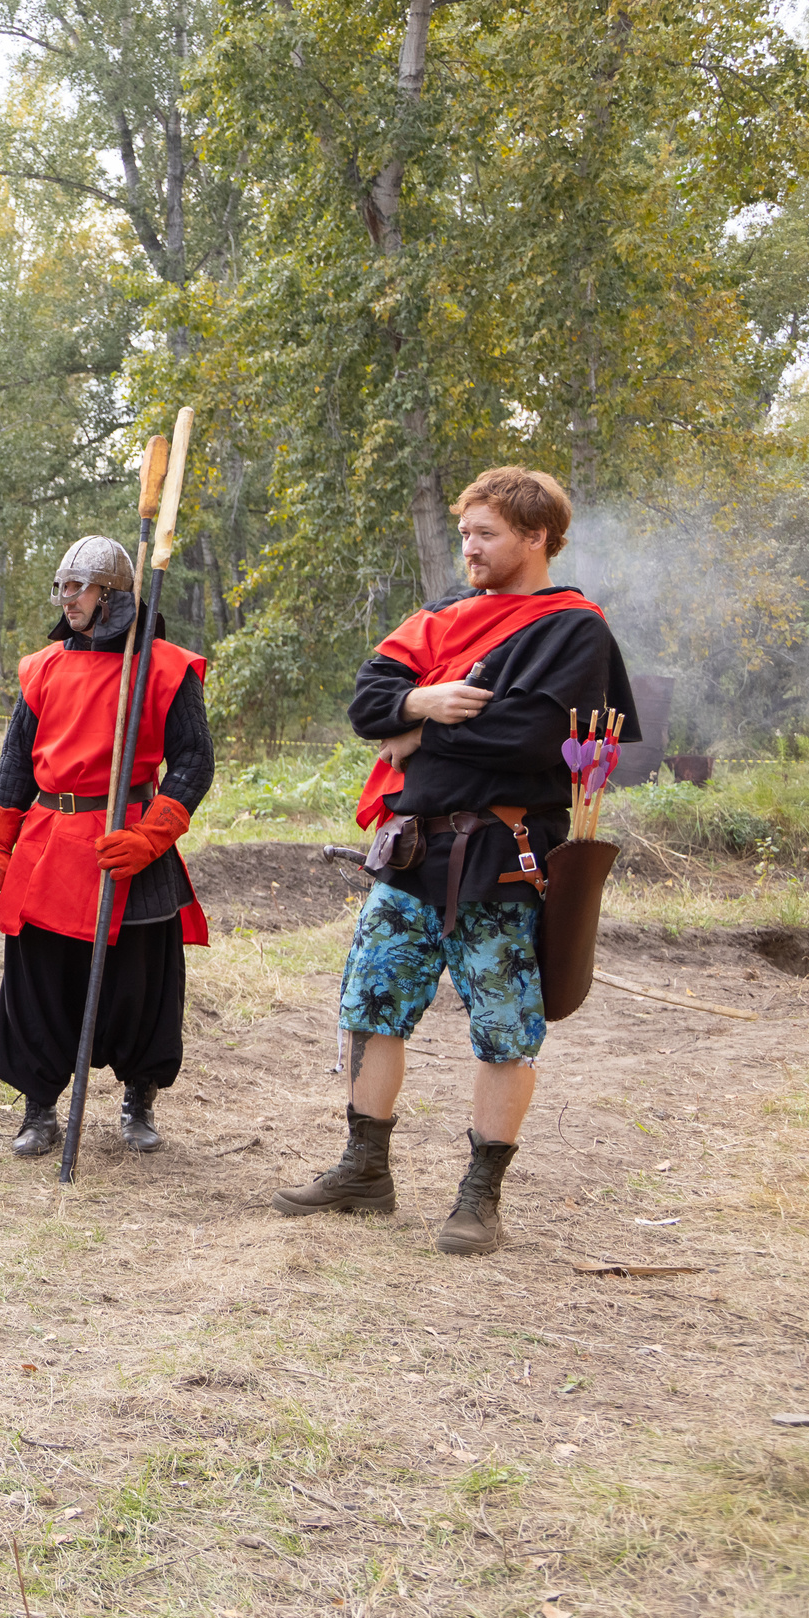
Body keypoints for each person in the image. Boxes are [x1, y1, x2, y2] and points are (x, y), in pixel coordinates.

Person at [275, 468, 636, 1256]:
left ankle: (481, 1197)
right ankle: (364, 1171)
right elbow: (368, 702)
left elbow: (530, 738)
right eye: (465, 532)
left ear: (536, 538)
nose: (469, 547)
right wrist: (421, 703)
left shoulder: (575, 629)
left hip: (505, 857)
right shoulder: (441, 615)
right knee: (370, 1007)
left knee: (505, 1028)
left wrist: (418, 732)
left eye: (487, 534)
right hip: (410, 851)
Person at [0, 537, 215, 1159]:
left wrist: (153, 832)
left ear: (112, 594)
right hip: (52, 839)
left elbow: (194, 760)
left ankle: (139, 1098)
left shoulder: (165, 667)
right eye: (62, 587)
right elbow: (15, 764)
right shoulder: (43, 667)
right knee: (40, 979)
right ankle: (39, 1109)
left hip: (127, 841)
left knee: (139, 981)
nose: (66, 599)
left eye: (77, 586)